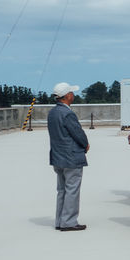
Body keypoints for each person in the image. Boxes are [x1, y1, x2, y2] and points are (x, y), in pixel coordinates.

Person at [47, 82, 90, 231]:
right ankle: (69, 222)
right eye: (71, 92)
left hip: (58, 157)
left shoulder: (52, 113)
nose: (73, 95)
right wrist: (85, 144)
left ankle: (60, 220)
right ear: (67, 96)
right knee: (72, 190)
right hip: (71, 157)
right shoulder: (68, 113)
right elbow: (77, 133)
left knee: (62, 190)